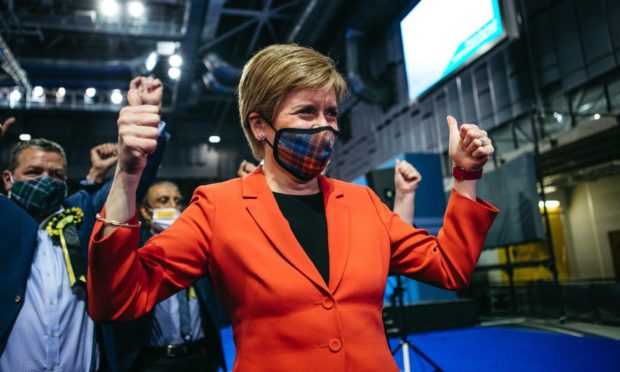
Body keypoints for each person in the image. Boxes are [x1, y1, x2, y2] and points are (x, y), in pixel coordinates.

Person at [88, 44, 498, 372]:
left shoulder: (363, 202)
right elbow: (118, 299)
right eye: (306, 112)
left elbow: (449, 266)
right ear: (259, 126)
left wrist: (466, 177)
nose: (325, 127)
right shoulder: (217, 208)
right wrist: (127, 174)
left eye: (331, 113)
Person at [0, 76, 168, 372]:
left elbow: (128, 186)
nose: (46, 180)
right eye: (33, 172)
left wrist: (148, 126)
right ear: (7, 179)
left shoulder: (81, 210)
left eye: (55, 175)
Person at [117, 180, 226, 371]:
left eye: (177, 201)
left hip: (200, 357)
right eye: (163, 200)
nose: (173, 207)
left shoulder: (197, 246)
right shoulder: (135, 251)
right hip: (154, 361)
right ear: (145, 211)